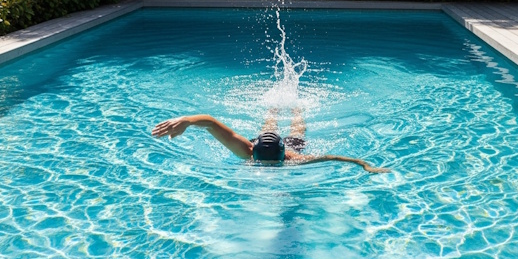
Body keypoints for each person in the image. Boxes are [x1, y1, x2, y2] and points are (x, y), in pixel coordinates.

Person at [151, 108, 390, 173]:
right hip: (269, 144)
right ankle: (274, 107)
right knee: (268, 124)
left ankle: (297, 109)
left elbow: (331, 157)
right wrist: (186, 121)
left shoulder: (290, 158)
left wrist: (366, 165)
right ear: (253, 150)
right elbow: (211, 122)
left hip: (286, 146)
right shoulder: (248, 150)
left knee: (298, 129)